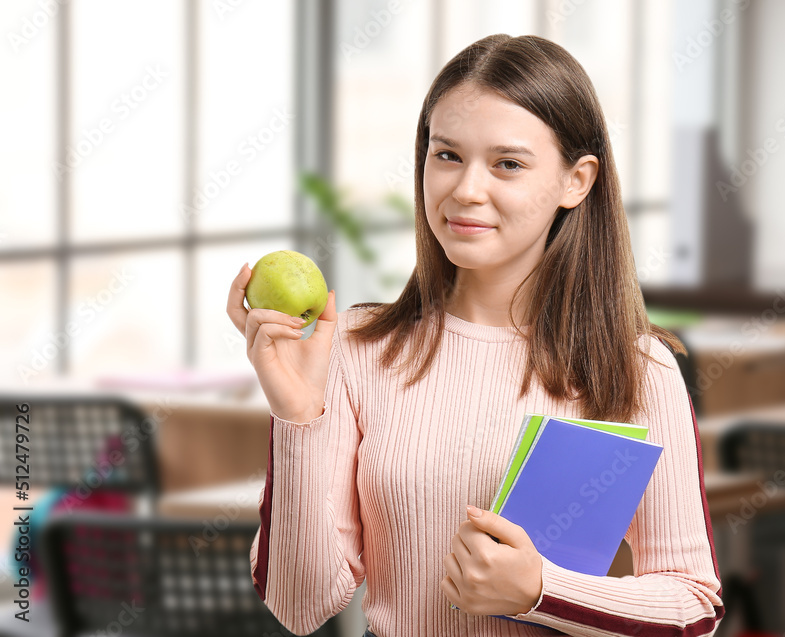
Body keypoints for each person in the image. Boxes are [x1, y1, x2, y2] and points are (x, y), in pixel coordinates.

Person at [228, 33, 724, 637]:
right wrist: (297, 417)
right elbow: (299, 606)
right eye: (447, 155)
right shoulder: (356, 348)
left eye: (508, 164)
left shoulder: (638, 368)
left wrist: (541, 591)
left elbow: (694, 605)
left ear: (578, 180)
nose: (465, 190)